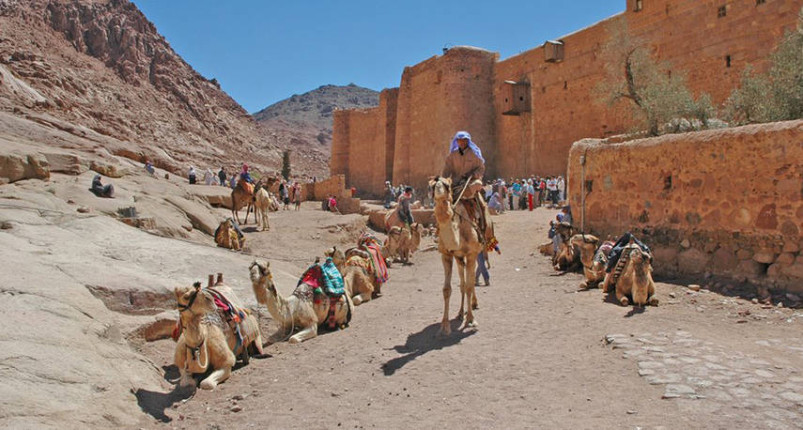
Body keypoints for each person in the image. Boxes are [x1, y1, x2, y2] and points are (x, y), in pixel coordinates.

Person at [441, 130, 496, 249]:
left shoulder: (474, 154)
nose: (462, 142)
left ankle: (490, 240)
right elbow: (446, 172)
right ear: (457, 141)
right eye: (460, 140)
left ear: (468, 141)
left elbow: (481, 168)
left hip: (470, 184)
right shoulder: (452, 156)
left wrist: (474, 175)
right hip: (456, 187)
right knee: (442, 206)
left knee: (482, 207)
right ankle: (441, 235)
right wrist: (443, 182)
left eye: (465, 140)